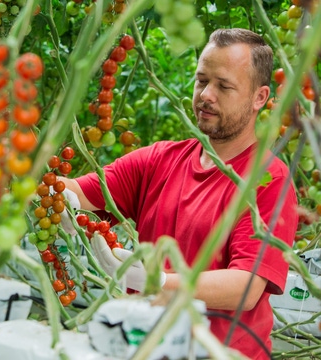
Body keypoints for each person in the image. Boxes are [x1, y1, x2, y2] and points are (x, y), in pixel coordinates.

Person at [60, 28, 298, 359]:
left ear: (260, 97)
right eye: (202, 81)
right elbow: (80, 191)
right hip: (148, 347)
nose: (206, 95)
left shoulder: (268, 179)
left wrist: (152, 279)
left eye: (224, 85)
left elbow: (245, 287)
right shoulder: (159, 159)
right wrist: (57, 197)